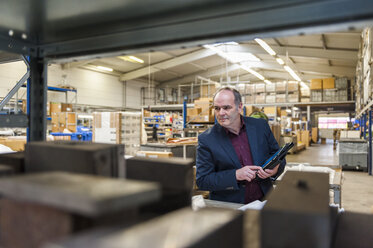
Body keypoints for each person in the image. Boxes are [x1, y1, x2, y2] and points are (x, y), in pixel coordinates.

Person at [196, 87, 286, 204]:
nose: (221, 113)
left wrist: (276, 169)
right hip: (230, 206)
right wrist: (235, 175)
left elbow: (278, 155)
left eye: (226, 108)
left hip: (264, 201)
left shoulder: (260, 126)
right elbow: (203, 180)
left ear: (239, 107)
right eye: (217, 108)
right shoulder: (207, 139)